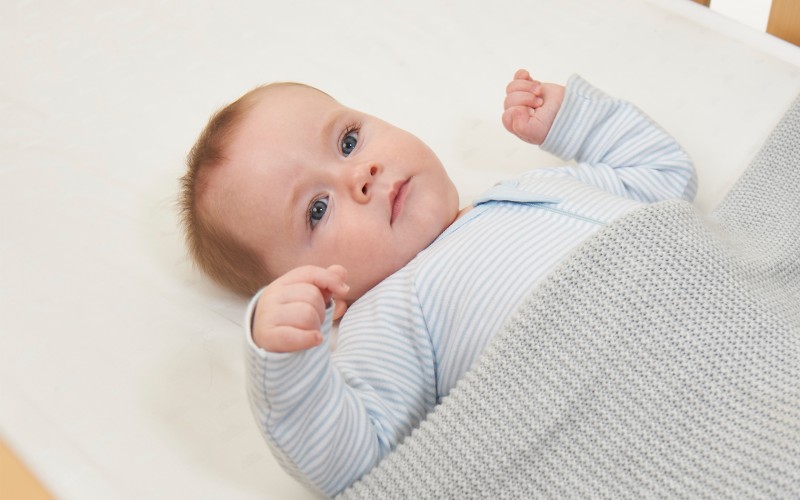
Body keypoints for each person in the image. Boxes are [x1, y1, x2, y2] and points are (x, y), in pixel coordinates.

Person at [180, 69, 696, 496]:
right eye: (317, 209)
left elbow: (666, 177)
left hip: (719, 310)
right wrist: (289, 360)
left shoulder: (538, 187)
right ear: (319, 295)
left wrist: (576, 123)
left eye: (349, 140)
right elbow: (352, 461)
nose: (362, 173)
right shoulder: (389, 313)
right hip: (644, 420)